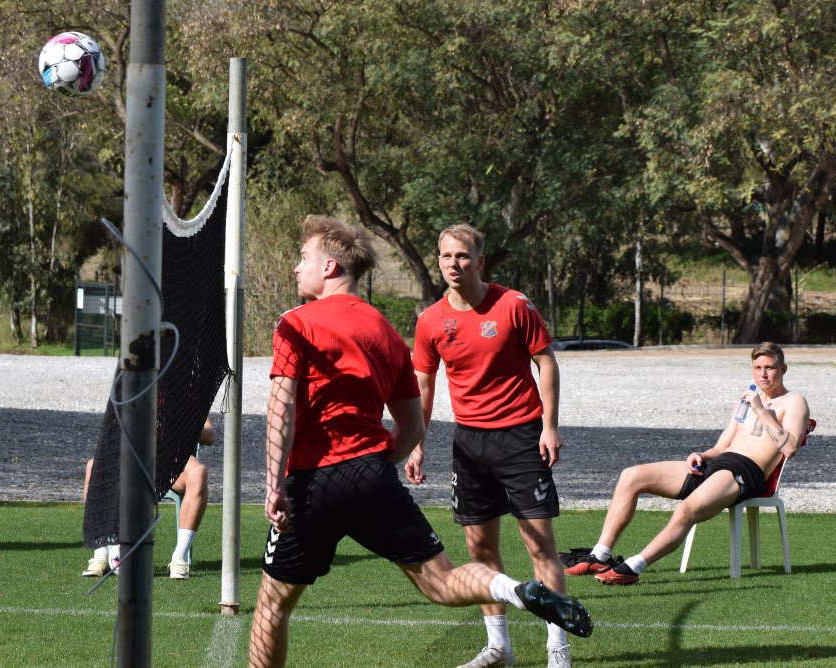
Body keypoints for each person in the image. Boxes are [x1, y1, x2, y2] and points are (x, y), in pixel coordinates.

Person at [249, 215, 591, 668]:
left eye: (303, 257)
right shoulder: (387, 331)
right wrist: (374, 467)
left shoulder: (295, 323)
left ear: (330, 266)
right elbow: (410, 426)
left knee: (272, 608)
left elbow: (281, 409)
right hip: (375, 476)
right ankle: (512, 590)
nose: (297, 267)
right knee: (443, 582)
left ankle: (534, 630)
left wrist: (274, 484)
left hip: (313, 483)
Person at [406, 224, 570, 668]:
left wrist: (549, 426)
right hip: (469, 444)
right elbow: (423, 385)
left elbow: (546, 363)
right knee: (479, 549)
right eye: (446, 256)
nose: (453, 264)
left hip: (521, 437)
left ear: (479, 262)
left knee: (540, 546)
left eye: (462, 256)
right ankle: (500, 648)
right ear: (438, 261)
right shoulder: (430, 320)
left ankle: (557, 648)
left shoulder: (514, 305)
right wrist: (417, 444)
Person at [561, 341, 810, 586]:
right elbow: (721, 447)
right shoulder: (746, 400)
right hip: (719, 464)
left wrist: (762, 411)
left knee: (685, 510)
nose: (763, 374)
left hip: (745, 471)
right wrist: (701, 454)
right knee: (631, 475)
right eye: (757, 368)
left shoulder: (794, 401)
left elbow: (790, 448)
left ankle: (633, 567)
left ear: (783, 369)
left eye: (769, 368)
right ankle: (600, 556)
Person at [81, 417, 215, 579]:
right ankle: (101, 554)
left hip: (172, 460)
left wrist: (178, 427)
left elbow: (209, 435)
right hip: (133, 458)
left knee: (198, 473)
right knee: (93, 466)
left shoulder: (190, 400)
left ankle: (179, 559)